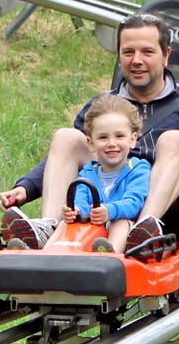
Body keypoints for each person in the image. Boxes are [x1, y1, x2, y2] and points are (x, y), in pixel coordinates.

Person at [0, 11, 179, 254]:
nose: (137, 60)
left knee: (173, 139)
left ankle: (144, 228)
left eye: (147, 52)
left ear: (166, 56)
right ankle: (49, 226)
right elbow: (62, 155)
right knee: (66, 137)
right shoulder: (104, 105)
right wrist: (25, 188)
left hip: (174, 210)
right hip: (109, 200)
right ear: (119, 57)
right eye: (128, 52)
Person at [35, 96, 151, 253]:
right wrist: (74, 211)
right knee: (64, 223)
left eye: (119, 136)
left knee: (120, 222)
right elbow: (81, 199)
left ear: (132, 139)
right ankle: (45, 253)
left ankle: (110, 254)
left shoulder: (138, 169)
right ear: (91, 143)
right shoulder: (88, 173)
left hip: (123, 228)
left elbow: (134, 202)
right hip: (93, 227)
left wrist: (109, 211)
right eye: (103, 137)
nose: (111, 143)